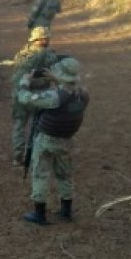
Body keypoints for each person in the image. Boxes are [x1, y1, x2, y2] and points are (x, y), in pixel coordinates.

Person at [16, 57, 89, 225]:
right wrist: (57, 79)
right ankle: (66, 210)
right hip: (67, 140)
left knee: (40, 174)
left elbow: (25, 98)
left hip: (47, 139)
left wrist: (24, 81)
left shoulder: (54, 97)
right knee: (64, 174)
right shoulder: (84, 95)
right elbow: (70, 90)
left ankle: (39, 213)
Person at [10, 26, 59, 165]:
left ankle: (17, 157)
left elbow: (17, 74)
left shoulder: (23, 53)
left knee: (19, 125)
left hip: (19, 93)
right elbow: (55, 72)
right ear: (44, 39)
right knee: (38, 126)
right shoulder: (49, 55)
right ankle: (35, 155)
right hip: (38, 95)